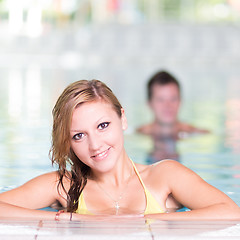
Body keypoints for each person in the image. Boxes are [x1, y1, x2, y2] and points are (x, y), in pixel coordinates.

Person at [0, 79, 239, 221]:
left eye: (103, 126)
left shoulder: (164, 176)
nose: (95, 145)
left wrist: (153, 220)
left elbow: (230, 212)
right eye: (79, 135)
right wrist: (66, 219)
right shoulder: (63, 185)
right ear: (69, 141)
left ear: (122, 119)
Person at [137, 71, 209, 163]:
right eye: (161, 100)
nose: (168, 106)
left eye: (173, 99)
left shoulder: (199, 133)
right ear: (149, 103)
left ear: (180, 101)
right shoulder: (139, 134)